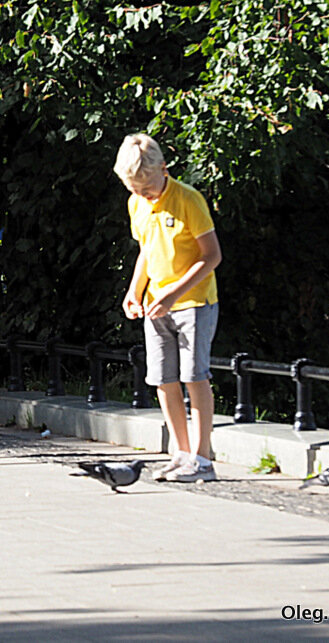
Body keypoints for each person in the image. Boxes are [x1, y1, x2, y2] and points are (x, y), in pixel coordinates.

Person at [114, 133, 222, 482]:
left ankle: (202, 459)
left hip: (193, 302)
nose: (142, 195)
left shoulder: (188, 199)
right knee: (163, 379)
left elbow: (212, 256)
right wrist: (135, 291)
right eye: (134, 189)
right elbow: (146, 249)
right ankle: (180, 452)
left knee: (194, 376)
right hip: (156, 304)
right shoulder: (136, 203)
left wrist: (173, 294)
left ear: (164, 168)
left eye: (147, 188)